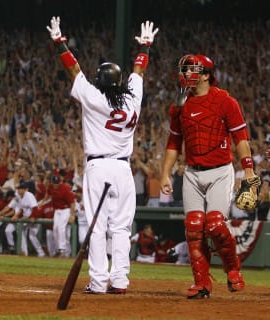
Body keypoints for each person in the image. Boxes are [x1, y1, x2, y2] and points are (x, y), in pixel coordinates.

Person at [47, 17, 158, 294]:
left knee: (96, 227)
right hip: (123, 169)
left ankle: (98, 282)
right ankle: (119, 280)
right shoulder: (132, 99)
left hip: (98, 166)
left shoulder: (94, 98)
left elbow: (73, 69)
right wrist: (145, 46)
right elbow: (139, 72)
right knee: (121, 228)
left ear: (99, 81)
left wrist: (60, 42)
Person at [159, 53, 257, 298]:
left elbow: (241, 139)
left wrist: (248, 171)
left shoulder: (225, 101)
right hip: (192, 173)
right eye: (185, 70)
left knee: (214, 224)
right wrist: (165, 175)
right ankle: (202, 283)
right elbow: (173, 143)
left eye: (192, 70)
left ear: (206, 75)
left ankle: (232, 269)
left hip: (220, 172)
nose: (186, 74)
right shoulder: (179, 106)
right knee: (193, 227)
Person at [46, 174, 75, 257]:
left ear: (59, 182)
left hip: (65, 210)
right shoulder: (50, 187)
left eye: (57, 183)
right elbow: (47, 196)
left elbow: (72, 203)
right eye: (54, 183)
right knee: (55, 228)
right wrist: (41, 202)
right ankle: (57, 248)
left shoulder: (65, 189)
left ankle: (62, 248)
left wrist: (72, 215)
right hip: (57, 210)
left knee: (61, 228)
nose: (55, 184)